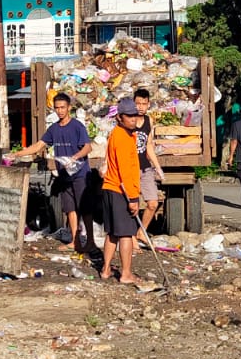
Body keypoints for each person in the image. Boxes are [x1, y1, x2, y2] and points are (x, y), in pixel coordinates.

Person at [10, 93, 94, 251]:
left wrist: (75, 157)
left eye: (63, 107)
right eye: (57, 108)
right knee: (70, 208)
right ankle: (75, 240)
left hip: (80, 173)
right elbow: (39, 145)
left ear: (69, 108)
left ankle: (90, 241)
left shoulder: (77, 126)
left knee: (84, 207)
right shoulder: (53, 129)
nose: (60, 111)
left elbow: (88, 147)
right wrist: (18, 154)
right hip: (64, 175)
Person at [99, 98, 146, 285]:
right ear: (120, 117)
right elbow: (126, 171)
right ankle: (126, 273)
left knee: (112, 233)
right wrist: (133, 199)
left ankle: (105, 269)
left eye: (135, 115)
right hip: (120, 190)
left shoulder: (118, 134)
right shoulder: (123, 138)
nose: (134, 119)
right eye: (130, 116)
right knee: (126, 233)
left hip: (110, 188)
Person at [132, 89, 165, 248]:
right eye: (138, 103)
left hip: (145, 168)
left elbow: (149, 146)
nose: (140, 107)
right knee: (132, 206)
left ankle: (141, 232)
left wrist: (157, 167)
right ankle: (131, 238)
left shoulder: (148, 121)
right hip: (130, 169)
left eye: (144, 104)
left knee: (152, 203)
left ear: (148, 104)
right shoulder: (128, 121)